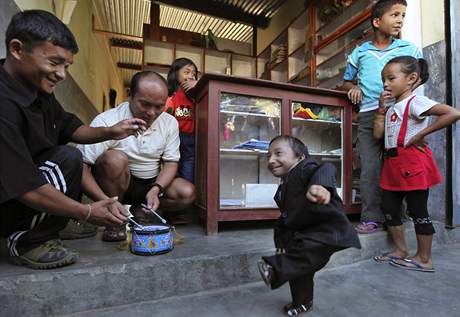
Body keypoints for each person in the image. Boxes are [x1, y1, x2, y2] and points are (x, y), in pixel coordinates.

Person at [0, 10, 147, 269]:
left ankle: (54, 223)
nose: (61, 74)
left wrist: (111, 131)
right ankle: (24, 240)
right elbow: (26, 186)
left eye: (66, 66)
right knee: (66, 158)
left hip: (22, 186)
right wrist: (88, 212)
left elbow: (71, 128)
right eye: (54, 63)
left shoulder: (36, 89)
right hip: (11, 197)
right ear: (17, 49)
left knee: (70, 155)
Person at [78, 71, 196, 241]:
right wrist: (106, 200)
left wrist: (157, 189)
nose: (152, 113)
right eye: (145, 104)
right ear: (130, 95)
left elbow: (171, 163)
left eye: (159, 106)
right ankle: (114, 217)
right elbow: (82, 166)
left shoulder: (169, 122)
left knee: (187, 192)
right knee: (114, 159)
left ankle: (141, 210)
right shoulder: (107, 120)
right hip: (117, 187)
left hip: (149, 184)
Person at [341, 0, 422, 234]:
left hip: (400, 114)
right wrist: (351, 88)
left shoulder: (410, 49)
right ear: (377, 21)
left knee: (399, 165)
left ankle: (398, 218)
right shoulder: (360, 52)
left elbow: (421, 76)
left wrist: (406, 97)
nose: (400, 20)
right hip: (368, 115)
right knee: (369, 167)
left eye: (403, 15)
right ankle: (371, 218)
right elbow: (347, 80)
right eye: (394, 14)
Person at [373, 56, 460, 272]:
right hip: (392, 163)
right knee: (389, 208)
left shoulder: (416, 102)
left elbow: (453, 113)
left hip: (411, 161)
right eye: (384, 79)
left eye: (391, 78)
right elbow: (377, 134)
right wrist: (381, 109)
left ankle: (424, 258)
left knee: (418, 210)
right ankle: (401, 250)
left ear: (411, 78)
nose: (386, 84)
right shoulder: (393, 107)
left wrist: (423, 133)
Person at [257, 136, 361, 316]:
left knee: (300, 257)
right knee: (299, 270)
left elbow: (326, 168)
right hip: (302, 235)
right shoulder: (282, 190)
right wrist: (281, 244)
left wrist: (319, 185)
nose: (271, 160)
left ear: (300, 157)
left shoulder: (305, 168)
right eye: (268, 156)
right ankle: (302, 302)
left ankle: (275, 269)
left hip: (327, 231)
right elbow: (284, 219)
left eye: (278, 153)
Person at [164, 57, 199, 183]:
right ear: (175, 74)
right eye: (186, 72)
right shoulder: (171, 95)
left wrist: (197, 86)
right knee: (172, 167)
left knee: (188, 170)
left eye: (194, 74)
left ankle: (186, 192)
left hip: (191, 139)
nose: (190, 76)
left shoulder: (196, 96)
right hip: (175, 138)